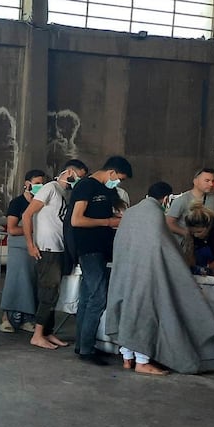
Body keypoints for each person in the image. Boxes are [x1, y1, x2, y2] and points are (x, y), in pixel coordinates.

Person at [106, 182, 214, 374]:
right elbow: (164, 246)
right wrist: (181, 267)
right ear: (166, 199)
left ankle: (127, 358)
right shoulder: (155, 215)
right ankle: (142, 362)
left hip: (126, 271)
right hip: (147, 273)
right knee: (145, 314)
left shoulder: (131, 212)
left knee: (128, 312)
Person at [69, 155, 132, 365]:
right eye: (119, 178)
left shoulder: (107, 189)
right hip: (89, 248)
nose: (118, 183)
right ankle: (86, 349)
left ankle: (83, 344)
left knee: (87, 298)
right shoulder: (86, 186)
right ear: (111, 172)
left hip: (101, 248)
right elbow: (76, 220)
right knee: (97, 297)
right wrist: (108, 222)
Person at [22, 169, 78, 349]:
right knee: (48, 291)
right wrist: (30, 244)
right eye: (78, 175)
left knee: (53, 293)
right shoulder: (51, 188)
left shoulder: (64, 193)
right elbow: (27, 214)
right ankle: (37, 335)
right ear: (68, 172)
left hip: (58, 248)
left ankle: (47, 331)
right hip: (47, 249)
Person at [0, 170, 45, 333]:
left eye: (42, 183)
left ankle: (28, 318)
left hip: (35, 247)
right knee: (16, 282)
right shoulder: (17, 203)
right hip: (19, 248)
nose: (39, 186)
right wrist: (31, 229)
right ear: (27, 184)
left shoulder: (41, 203)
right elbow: (12, 229)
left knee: (32, 284)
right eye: (36, 183)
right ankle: (7, 317)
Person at [166, 168, 214, 242]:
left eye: (212, 181)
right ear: (195, 181)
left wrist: (206, 231)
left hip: (206, 242)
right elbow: (169, 223)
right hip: (185, 244)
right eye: (207, 181)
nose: (211, 184)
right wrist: (186, 233)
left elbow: (212, 218)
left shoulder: (212, 199)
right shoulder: (182, 200)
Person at [182, 205, 214, 276]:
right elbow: (191, 256)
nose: (196, 235)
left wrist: (207, 268)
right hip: (205, 261)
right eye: (193, 232)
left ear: (208, 227)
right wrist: (195, 269)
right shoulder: (191, 234)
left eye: (199, 232)